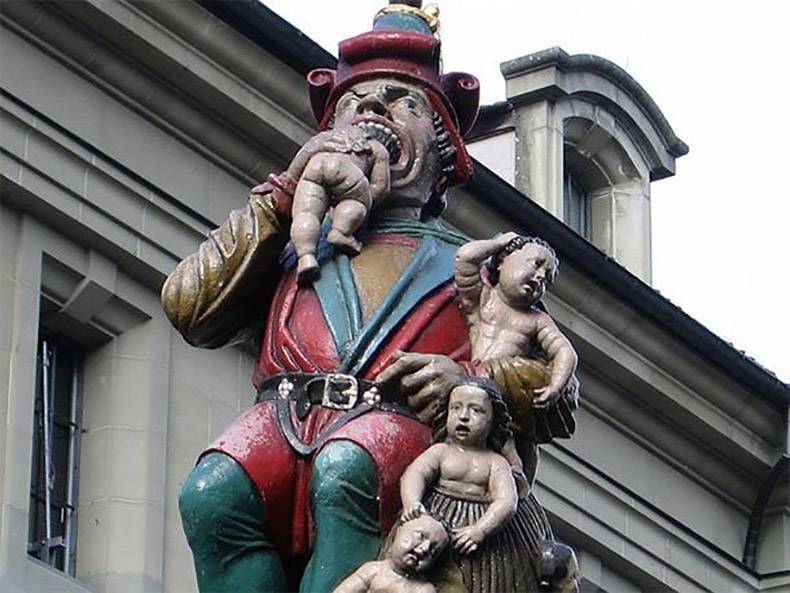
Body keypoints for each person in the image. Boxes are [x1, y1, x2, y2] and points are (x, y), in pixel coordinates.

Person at [163, 3, 576, 592]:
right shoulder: (289, 240)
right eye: (354, 103)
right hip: (285, 416)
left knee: (347, 469)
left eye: (405, 103)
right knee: (212, 493)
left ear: (442, 153)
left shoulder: (474, 267)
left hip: (388, 429)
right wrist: (285, 196)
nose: (374, 110)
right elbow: (188, 308)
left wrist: (470, 379)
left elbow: (557, 396)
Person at [333, 514, 450, 593]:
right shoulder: (373, 570)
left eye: (434, 551)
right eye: (420, 536)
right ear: (399, 531)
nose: (424, 548)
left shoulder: (423, 590)